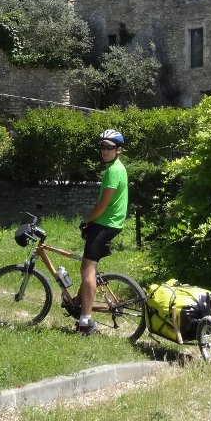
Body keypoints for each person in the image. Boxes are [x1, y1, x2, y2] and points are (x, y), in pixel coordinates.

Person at [74, 128, 128, 334]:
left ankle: (85, 321)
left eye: (109, 147)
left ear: (119, 150)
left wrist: (86, 220)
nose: (104, 151)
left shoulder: (113, 171)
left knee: (86, 270)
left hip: (104, 224)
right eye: (102, 147)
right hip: (110, 224)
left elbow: (102, 205)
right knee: (89, 266)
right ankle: (79, 302)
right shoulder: (118, 168)